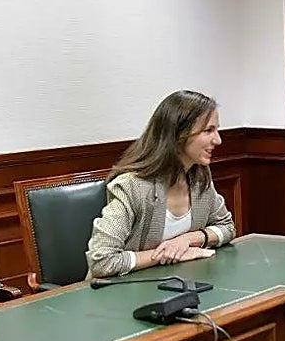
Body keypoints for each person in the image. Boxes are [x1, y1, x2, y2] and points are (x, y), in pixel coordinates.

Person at [86, 90, 236, 278]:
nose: (218, 140)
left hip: (173, 286)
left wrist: (187, 240)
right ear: (178, 134)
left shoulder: (199, 177)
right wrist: (166, 255)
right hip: (117, 295)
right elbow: (101, 261)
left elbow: (227, 227)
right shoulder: (132, 186)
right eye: (208, 130)